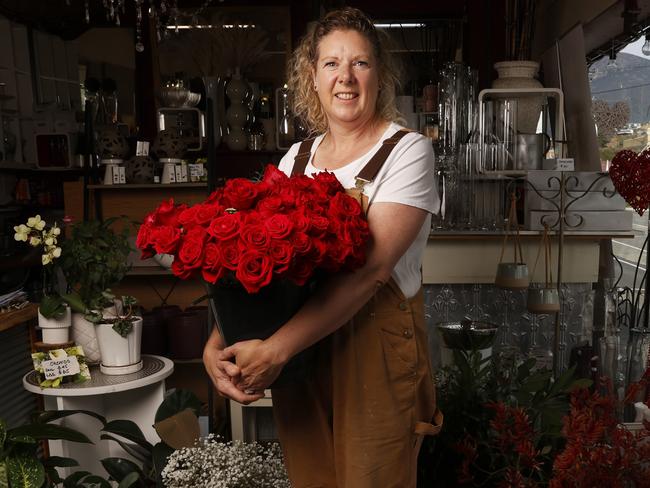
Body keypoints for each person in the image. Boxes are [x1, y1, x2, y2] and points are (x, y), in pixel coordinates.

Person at [203, 7, 442, 487]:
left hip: (371, 344)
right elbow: (259, 267)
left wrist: (274, 351)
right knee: (312, 477)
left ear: (380, 74)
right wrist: (218, 342)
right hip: (299, 348)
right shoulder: (297, 158)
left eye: (360, 63)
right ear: (312, 78)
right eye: (331, 64)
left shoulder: (408, 151)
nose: (345, 78)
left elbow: (369, 274)